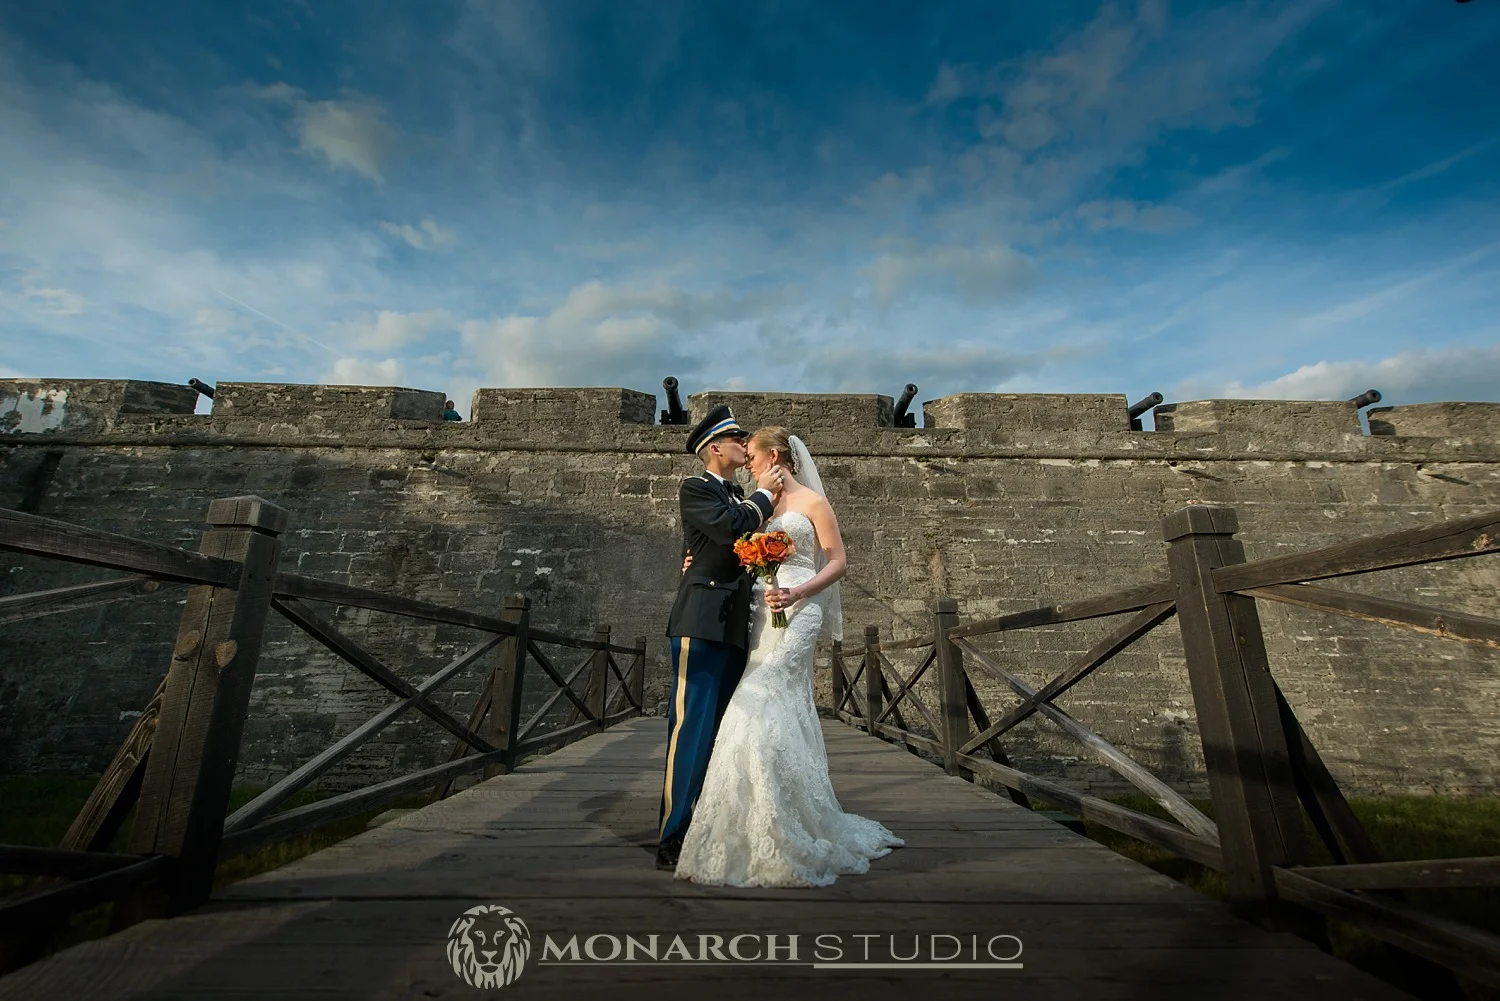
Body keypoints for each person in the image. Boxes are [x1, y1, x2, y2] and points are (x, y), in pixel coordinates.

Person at [674, 426, 903, 887]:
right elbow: (727, 546)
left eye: (754, 459)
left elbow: (837, 562)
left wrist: (799, 589)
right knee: (778, 709)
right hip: (760, 613)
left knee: (752, 704)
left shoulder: (813, 504)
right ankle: (755, 817)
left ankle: (775, 821)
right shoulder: (753, 505)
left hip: (800, 608)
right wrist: (694, 562)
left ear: (775, 456)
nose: (749, 466)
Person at [656, 405, 785, 872]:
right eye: (737, 439)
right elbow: (730, 527)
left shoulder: (734, 494)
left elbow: (717, 544)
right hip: (701, 621)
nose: (743, 446)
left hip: (734, 625)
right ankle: (673, 834)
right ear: (715, 447)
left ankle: (708, 827)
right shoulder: (696, 488)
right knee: (690, 728)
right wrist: (766, 495)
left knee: (722, 733)